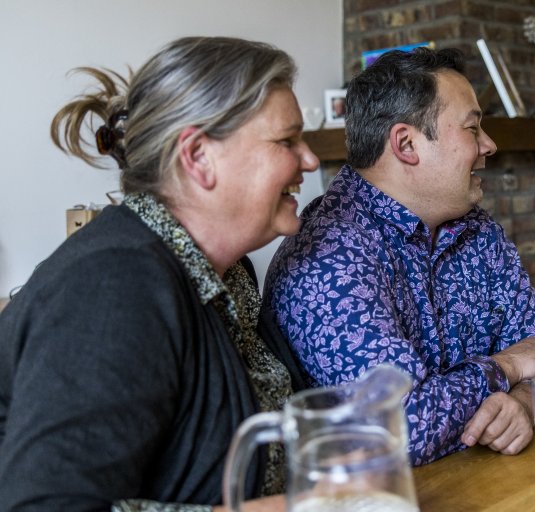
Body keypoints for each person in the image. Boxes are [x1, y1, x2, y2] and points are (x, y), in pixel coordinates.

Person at [0, 37, 320, 510]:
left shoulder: (228, 274)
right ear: (198, 157)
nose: (310, 159)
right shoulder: (114, 287)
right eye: (287, 141)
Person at [263, 47, 535, 466]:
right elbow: (400, 428)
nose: (489, 145)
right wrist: (506, 367)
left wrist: (521, 402)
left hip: (488, 481)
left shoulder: (477, 229)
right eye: (472, 129)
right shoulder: (327, 255)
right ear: (407, 144)